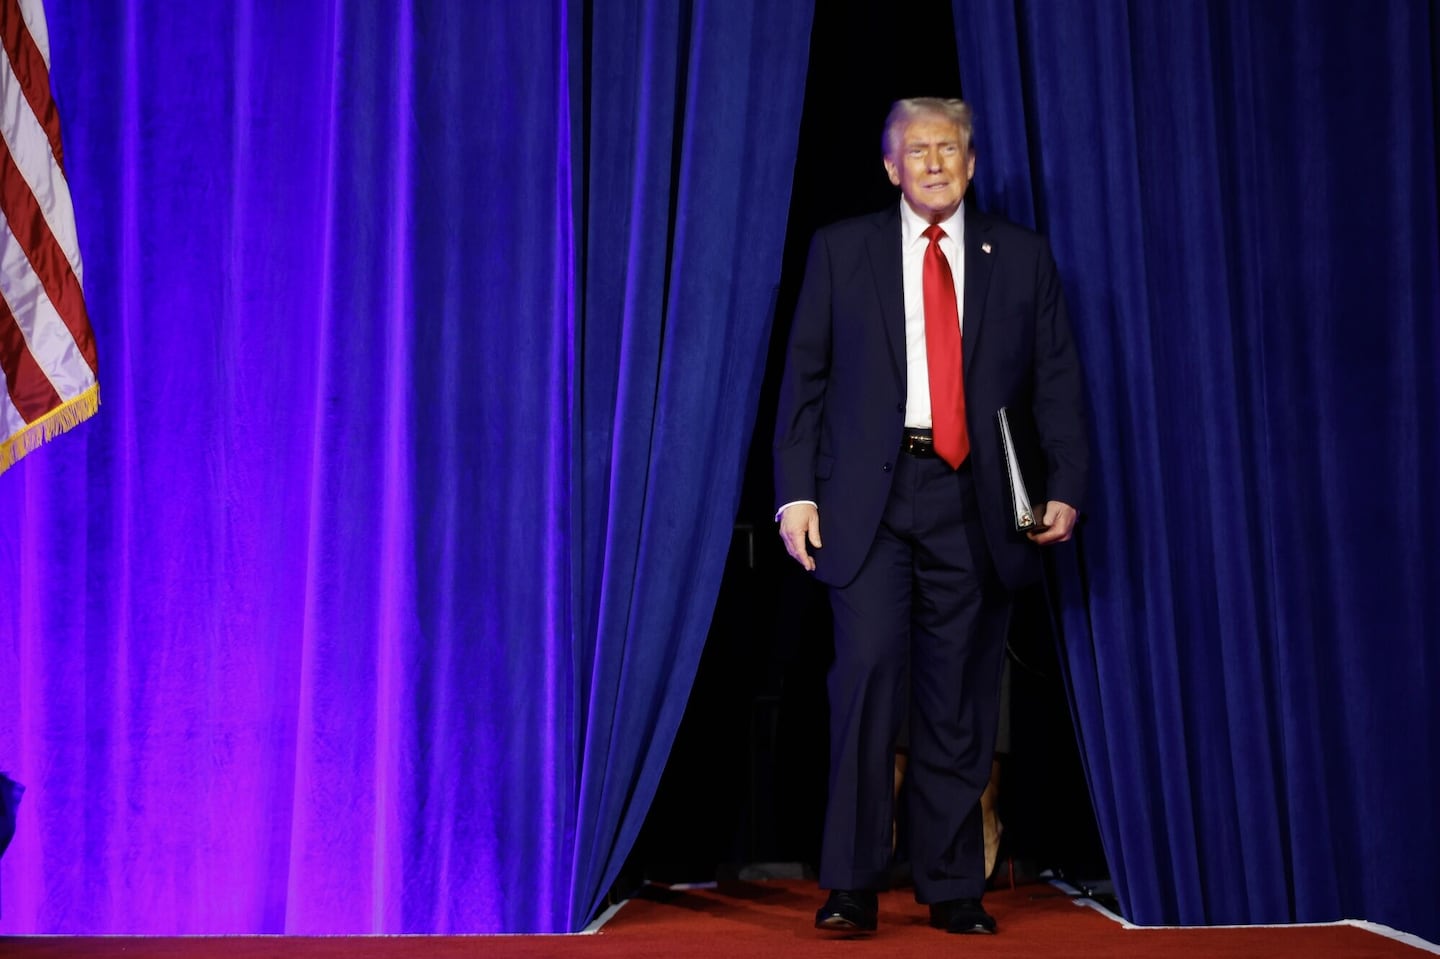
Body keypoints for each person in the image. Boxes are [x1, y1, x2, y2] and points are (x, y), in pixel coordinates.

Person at [772, 97, 1088, 936]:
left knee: (959, 695)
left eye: (950, 149)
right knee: (869, 675)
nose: (936, 163)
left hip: (973, 499)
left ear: (973, 164)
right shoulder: (842, 251)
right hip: (866, 503)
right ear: (890, 168)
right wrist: (795, 493)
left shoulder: (1020, 257)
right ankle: (850, 882)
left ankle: (953, 884)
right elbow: (802, 379)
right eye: (918, 151)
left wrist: (1067, 483)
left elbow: (1056, 380)